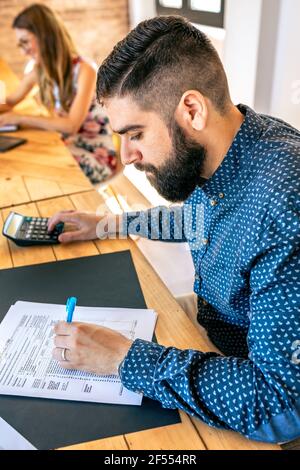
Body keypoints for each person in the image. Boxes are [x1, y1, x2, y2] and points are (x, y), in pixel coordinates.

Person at [48, 16, 300, 444]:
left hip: (254, 389)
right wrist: (107, 223)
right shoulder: (232, 146)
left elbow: (280, 405)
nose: (126, 156)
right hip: (215, 330)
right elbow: (202, 221)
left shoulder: (283, 201)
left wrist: (126, 359)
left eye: (135, 133)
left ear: (191, 110)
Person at [0, 3, 118, 185]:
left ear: (44, 36)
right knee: (28, 161)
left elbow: (71, 125)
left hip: (95, 154)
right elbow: (10, 102)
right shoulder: (39, 71)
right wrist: (9, 113)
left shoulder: (85, 70)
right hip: (67, 145)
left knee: (37, 170)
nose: (23, 52)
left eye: (25, 41)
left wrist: (19, 118)